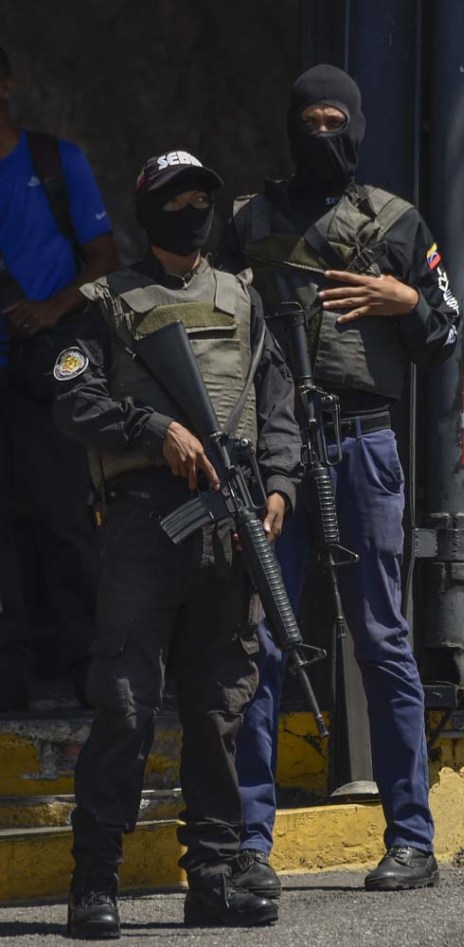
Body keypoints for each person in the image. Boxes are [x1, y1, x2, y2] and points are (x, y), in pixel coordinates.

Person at [220, 64, 460, 895]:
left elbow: (449, 328)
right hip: (275, 458)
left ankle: (412, 839)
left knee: (383, 640)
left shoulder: (394, 221)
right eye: (309, 120)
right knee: (261, 641)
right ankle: (250, 844)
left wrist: (406, 300)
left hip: (361, 446)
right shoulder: (248, 222)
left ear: (356, 126)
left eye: (337, 120)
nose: (323, 134)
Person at [53, 150, 301, 938]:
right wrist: (153, 429)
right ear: (149, 208)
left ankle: (216, 876)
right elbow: (70, 394)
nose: (192, 207)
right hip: (143, 522)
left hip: (228, 523)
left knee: (222, 706)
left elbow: (278, 400)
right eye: (176, 196)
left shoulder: (242, 298)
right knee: (126, 702)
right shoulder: (106, 302)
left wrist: (280, 485)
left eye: (202, 195)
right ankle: (95, 878)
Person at [0, 46, 118, 709]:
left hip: (48, 371)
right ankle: (12, 683)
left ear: (8, 86)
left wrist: (49, 308)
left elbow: (107, 257)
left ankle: (86, 674)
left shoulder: (54, 162)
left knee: (66, 524)